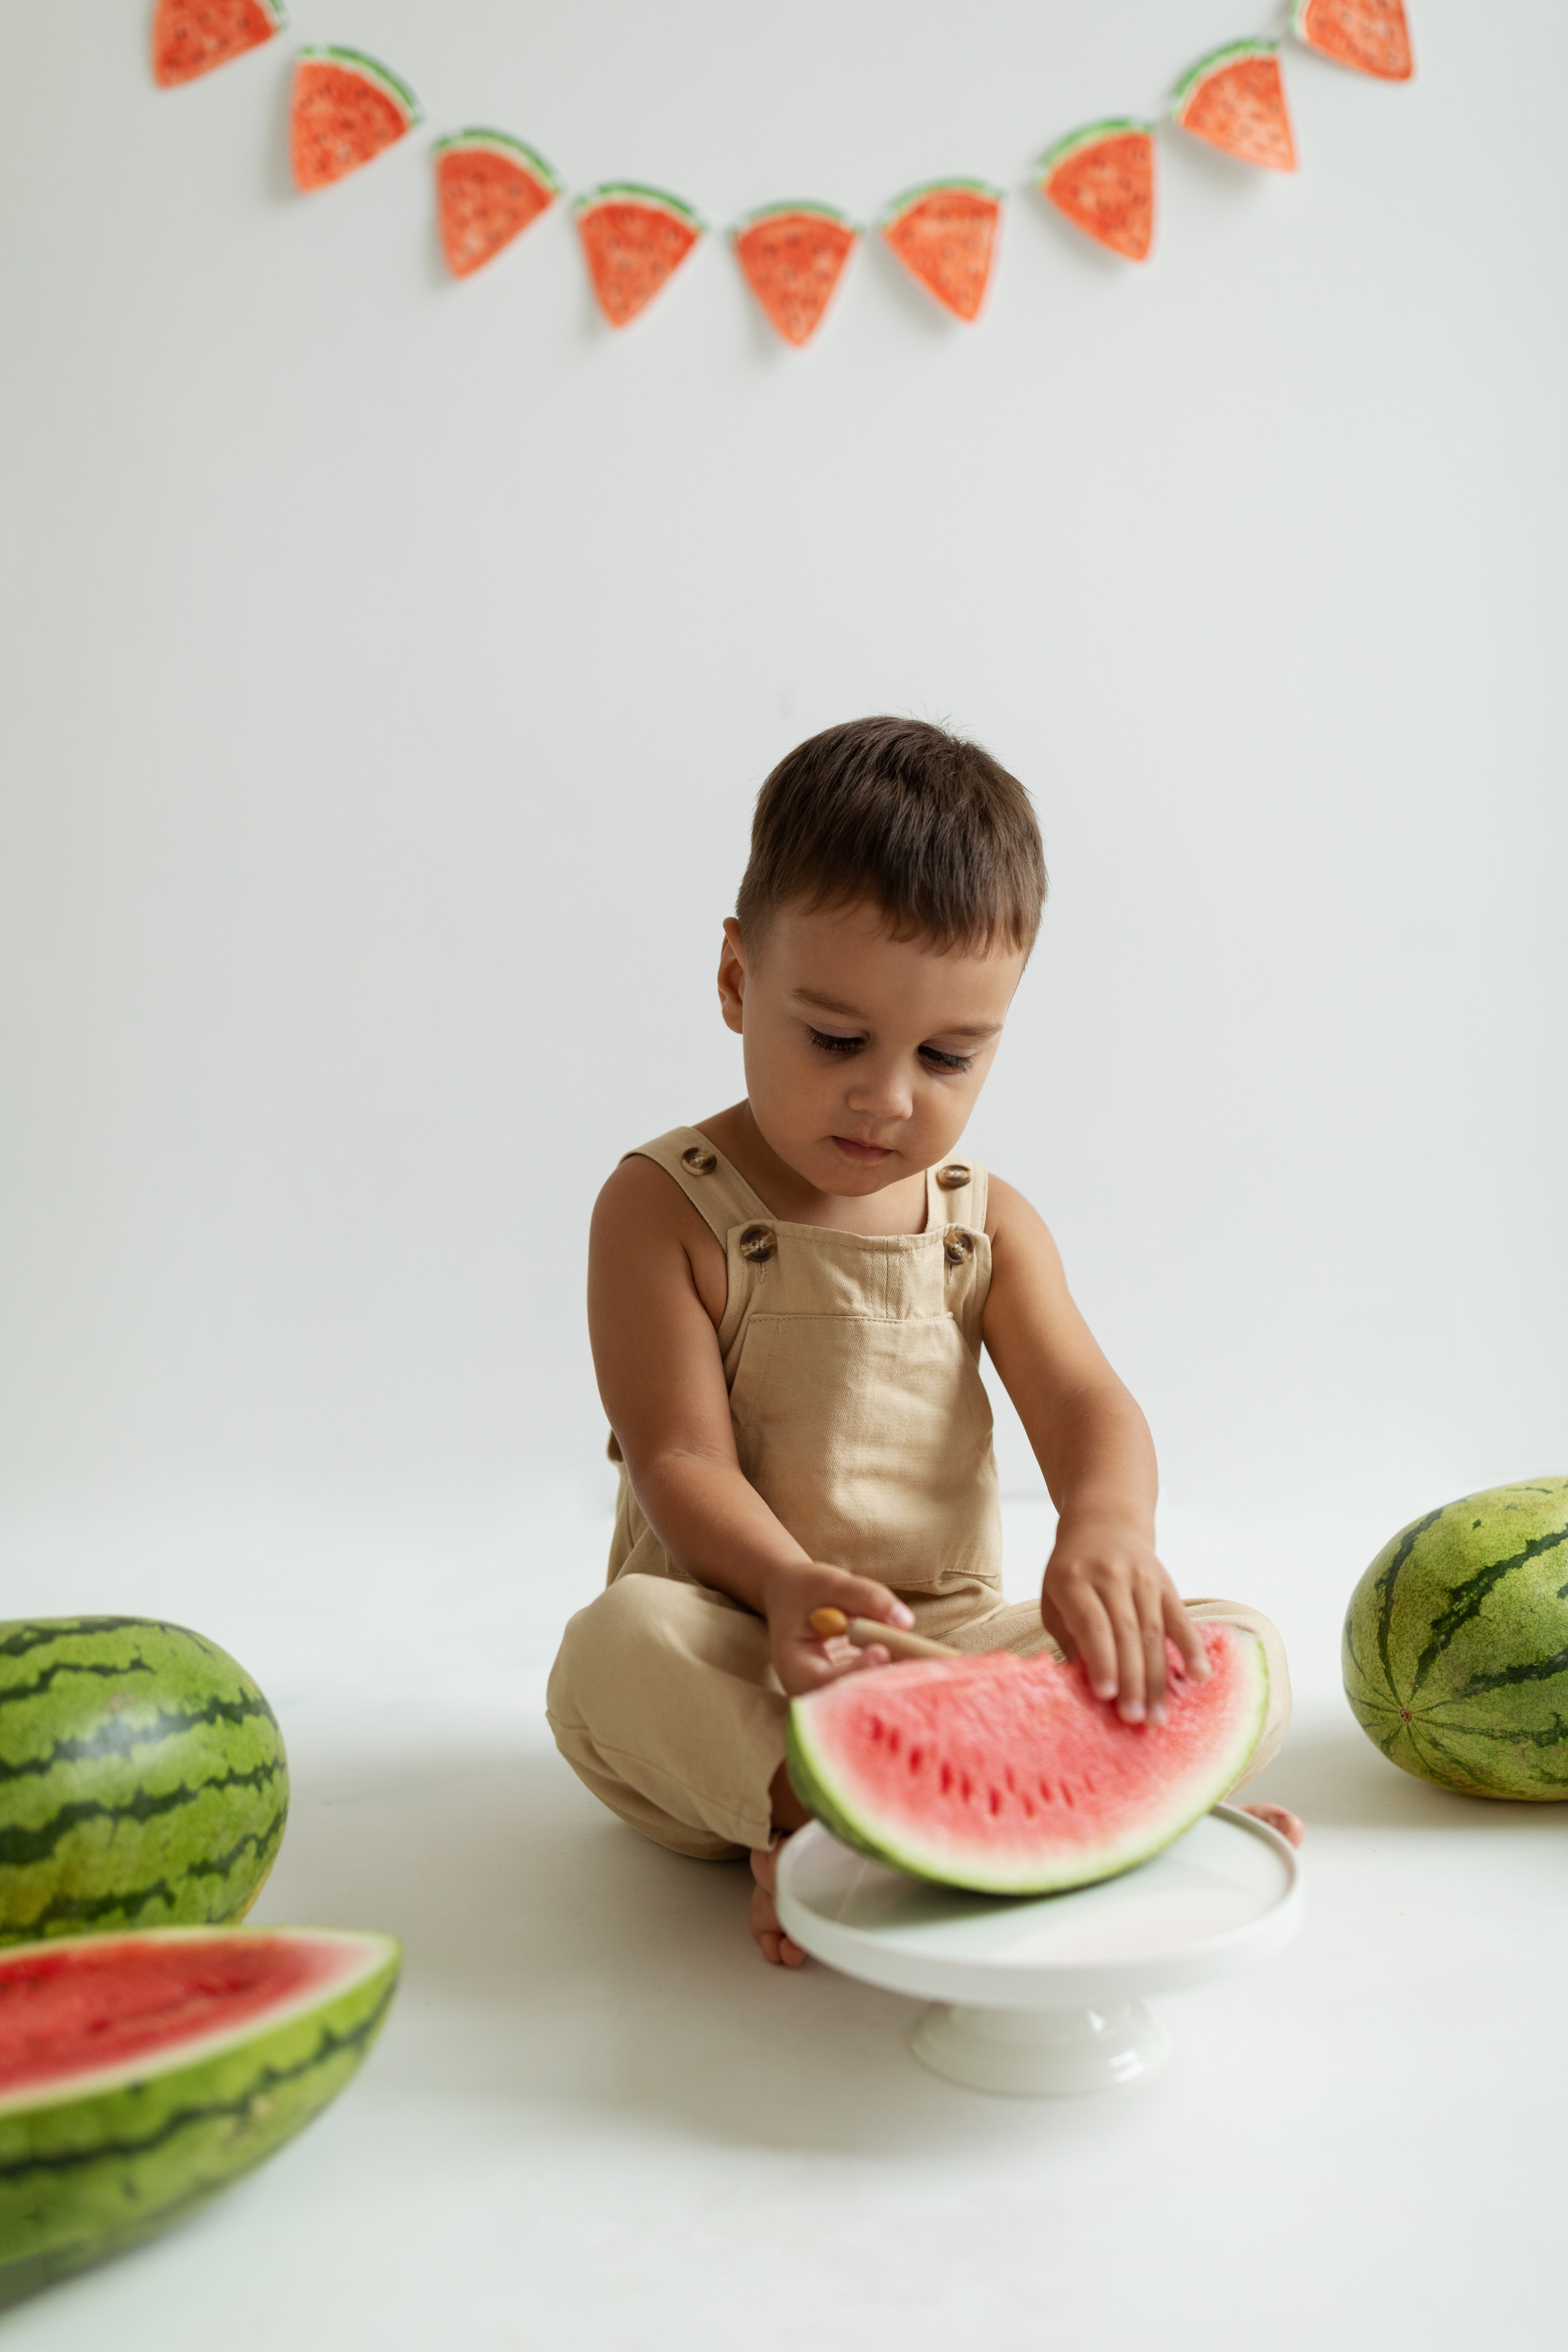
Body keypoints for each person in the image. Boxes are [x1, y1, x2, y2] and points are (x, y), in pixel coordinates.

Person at [548, 717, 1302, 1967]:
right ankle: (823, 1810)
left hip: (944, 1647)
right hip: (742, 1648)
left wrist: (1106, 1533)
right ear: (737, 981)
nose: (888, 1096)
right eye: (834, 1039)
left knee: (1231, 1647)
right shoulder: (662, 1208)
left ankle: (1025, 1813)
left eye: (948, 1054)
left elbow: (1083, 1405)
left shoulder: (981, 1223)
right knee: (611, 1655)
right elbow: (678, 1460)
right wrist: (787, 1588)